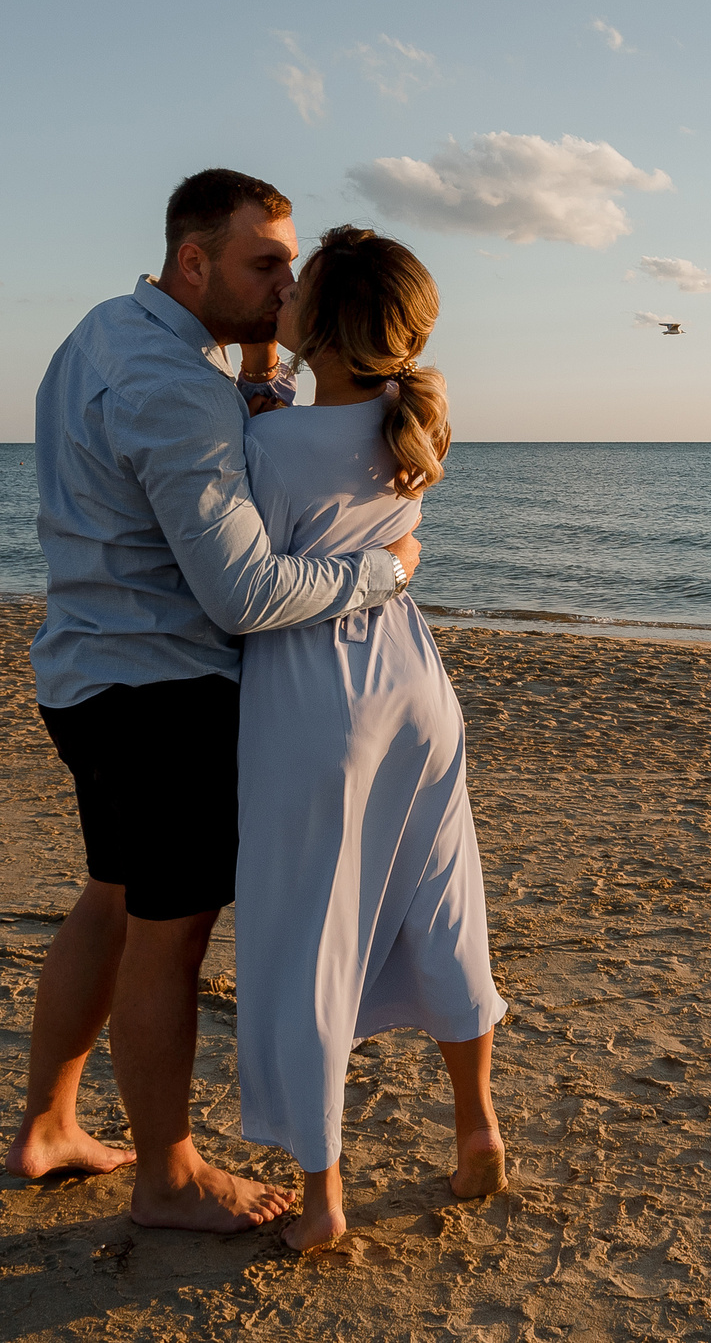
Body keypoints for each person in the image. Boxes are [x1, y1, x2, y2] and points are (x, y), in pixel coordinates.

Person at [2, 170, 421, 1235]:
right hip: (163, 697)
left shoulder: (109, 333)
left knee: (112, 898)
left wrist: (260, 365)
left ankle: (50, 1124)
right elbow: (243, 593)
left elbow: (201, 454)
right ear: (194, 262)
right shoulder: (176, 387)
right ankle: (169, 1177)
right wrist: (382, 570)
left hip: (87, 673)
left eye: (290, 264)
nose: (288, 285)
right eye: (265, 263)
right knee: (168, 939)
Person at [231, 225, 508, 1252]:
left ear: (326, 326)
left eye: (297, 285)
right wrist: (275, 367)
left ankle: (322, 1198)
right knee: (444, 902)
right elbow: (329, 438)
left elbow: (250, 576)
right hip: (414, 681)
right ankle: (476, 1124)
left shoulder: (266, 447)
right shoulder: (413, 430)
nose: (283, 292)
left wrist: (259, 375)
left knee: (309, 936)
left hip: (317, 696)